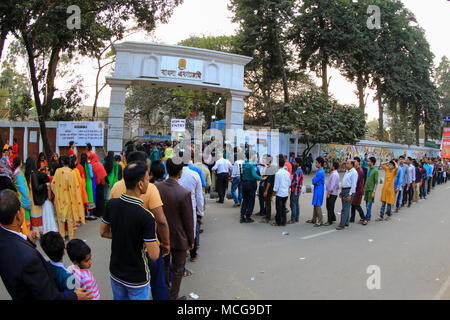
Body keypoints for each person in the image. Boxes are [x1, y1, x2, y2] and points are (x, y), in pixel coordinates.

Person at [0, 189, 92, 300]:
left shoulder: (5, 238)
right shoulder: (29, 259)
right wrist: (75, 296)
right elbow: (48, 296)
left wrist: (27, 242)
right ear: (18, 215)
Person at [110, 151, 170, 300]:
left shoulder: (116, 187)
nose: (149, 178)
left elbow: (109, 224)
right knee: (157, 284)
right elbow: (161, 220)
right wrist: (166, 243)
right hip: (147, 248)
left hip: (121, 250)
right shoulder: (150, 189)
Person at [100, 161, 160, 300]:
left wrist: (123, 236)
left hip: (115, 272)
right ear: (140, 184)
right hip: (137, 278)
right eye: (146, 178)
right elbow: (154, 255)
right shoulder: (146, 216)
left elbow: (103, 232)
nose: (148, 180)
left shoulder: (112, 204)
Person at [155, 158, 194, 300]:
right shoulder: (184, 193)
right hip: (179, 237)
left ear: (166, 170)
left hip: (160, 235)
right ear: (180, 172)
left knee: (164, 266)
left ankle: (166, 293)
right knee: (178, 269)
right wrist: (191, 240)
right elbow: (188, 220)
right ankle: (173, 296)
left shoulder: (157, 187)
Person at [51, 155, 85, 240]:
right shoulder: (72, 172)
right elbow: (76, 186)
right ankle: (71, 236)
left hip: (60, 197)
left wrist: (57, 193)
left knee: (61, 219)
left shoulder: (58, 171)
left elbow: (53, 184)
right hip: (70, 198)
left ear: (62, 162)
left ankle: (62, 236)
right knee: (70, 219)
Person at [178, 158, 204, 262]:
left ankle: (181, 253)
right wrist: (200, 212)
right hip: (191, 206)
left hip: (177, 206)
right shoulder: (194, 174)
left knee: (179, 228)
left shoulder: (171, 175)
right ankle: (193, 254)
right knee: (191, 229)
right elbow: (199, 196)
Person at [25, 157, 49, 233]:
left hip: (30, 198)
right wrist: (45, 185)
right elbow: (37, 188)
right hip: (35, 199)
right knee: (37, 216)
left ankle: (35, 230)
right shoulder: (33, 175)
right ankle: (38, 232)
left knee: (33, 216)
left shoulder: (26, 174)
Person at [240, 152, 262, 223]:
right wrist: (261, 178)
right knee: (251, 200)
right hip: (251, 184)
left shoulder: (245, 163)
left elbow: (250, 166)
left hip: (244, 183)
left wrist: (257, 164)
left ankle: (242, 216)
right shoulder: (251, 165)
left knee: (245, 200)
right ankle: (248, 216)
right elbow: (254, 175)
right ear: (252, 156)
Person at [336, 159, 358, 230]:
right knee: (346, 207)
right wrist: (342, 191)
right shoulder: (347, 171)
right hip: (345, 190)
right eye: (346, 163)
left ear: (352, 165)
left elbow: (354, 185)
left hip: (349, 191)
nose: (346, 164)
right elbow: (345, 182)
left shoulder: (354, 173)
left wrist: (350, 194)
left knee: (345, 208)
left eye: (348, 163)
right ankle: (346, 222)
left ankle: (342, 224)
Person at [12, 157, 32, 233]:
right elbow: (23, 188)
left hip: (19, 196)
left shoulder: (15, 173)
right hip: (22, 197)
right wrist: (27, 197)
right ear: (20, 163)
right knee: (24, 215)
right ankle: (25, 233)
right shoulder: (19, 173)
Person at [272, 155, 291, 227]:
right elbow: (289, 183)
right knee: (283, 207)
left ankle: (278, 222)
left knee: (278, 208)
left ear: (278, 164)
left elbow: (276, 186)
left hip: (279, 194)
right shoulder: (287, 173)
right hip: (285, 193)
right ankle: (284, 221)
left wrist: (273, 194)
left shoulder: (278, 173)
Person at [307, 157, 325, 227]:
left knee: (317, 205)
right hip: (317, 189)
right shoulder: (319, 171)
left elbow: (314, 181)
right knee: (315, 204)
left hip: (319, 190)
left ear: (320, 164)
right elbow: (314, 181)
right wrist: (315, 181)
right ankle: (314, 219)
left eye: (317, 162)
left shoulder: (320, 172)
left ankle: (320, 220)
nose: (315, 164)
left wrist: (315, 181)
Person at [70, 155, 88, 225]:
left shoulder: (70, 170)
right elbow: (80, 180)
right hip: (79, 188)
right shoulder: (77, 169)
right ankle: (78, 219)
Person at [89, 153, 107, 218]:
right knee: (101, 199)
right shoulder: (100, 164)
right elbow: (104, 174)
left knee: (95, 198)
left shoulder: (91, 165)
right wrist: (107, 182)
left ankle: (95, 213)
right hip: (101, 184)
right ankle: (101, 213)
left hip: (94, 184)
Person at [363, 157, 379, 225]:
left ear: (372, 162)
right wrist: (364, 187)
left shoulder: (375, 171)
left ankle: (366, 219)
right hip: (367, 189)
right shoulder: (369, 169)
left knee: (369, 205)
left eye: (369, 161)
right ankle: (368, 216)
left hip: (371, 190)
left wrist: (374, 192)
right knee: (366, 204)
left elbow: (376, 182)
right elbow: (367, 179)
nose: (367, 162)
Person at [80, 153, 96, 219]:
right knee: (90, 198)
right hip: (89, 182)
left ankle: (85, 214)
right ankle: (91, 214)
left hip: (82, 182)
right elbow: (91, 175)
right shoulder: (89, 165)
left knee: (84, 197)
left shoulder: (80, 166)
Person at [350, 157, 365, 224]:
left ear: (358, 162)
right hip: (355, 190)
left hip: (358, 190)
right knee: (353, 204)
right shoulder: (355, 170)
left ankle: (363, 217)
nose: (354, 163)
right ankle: (352, 218)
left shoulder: (359, 171)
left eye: (355, 161)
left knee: (357, 205)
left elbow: (355, 181)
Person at [324, 161, 340, 226]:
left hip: (332, 193)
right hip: (333, 193)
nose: (330, 166)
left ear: (333, 167)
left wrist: (329, 193)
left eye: (331, 165)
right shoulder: (334, 173)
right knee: (330, 206)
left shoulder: (334, 174)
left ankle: (329, 221)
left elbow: (332, 185)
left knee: (329, 207)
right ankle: (333, 218)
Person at [288, 157, 303, 224]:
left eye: (295, 162)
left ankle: (293, 219)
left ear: (298, 163)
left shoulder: (297, 171)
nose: (294, 163)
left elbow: (295, 182)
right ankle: (296, 217)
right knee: (296, 204)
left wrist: (290, 185)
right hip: (298, 190)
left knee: (293, 204)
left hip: (295, 190)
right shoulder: (301, 171)